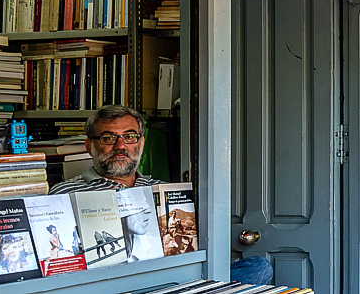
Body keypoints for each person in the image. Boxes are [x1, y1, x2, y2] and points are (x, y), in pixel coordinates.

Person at [50, 105, 274, 285]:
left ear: (141, 142)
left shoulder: (163, 190)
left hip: (171, 279)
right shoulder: (65, 193)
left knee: (257, 267)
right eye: (109, 138)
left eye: (130, 137)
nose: (121, 146)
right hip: (108, 283)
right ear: (90, 145)